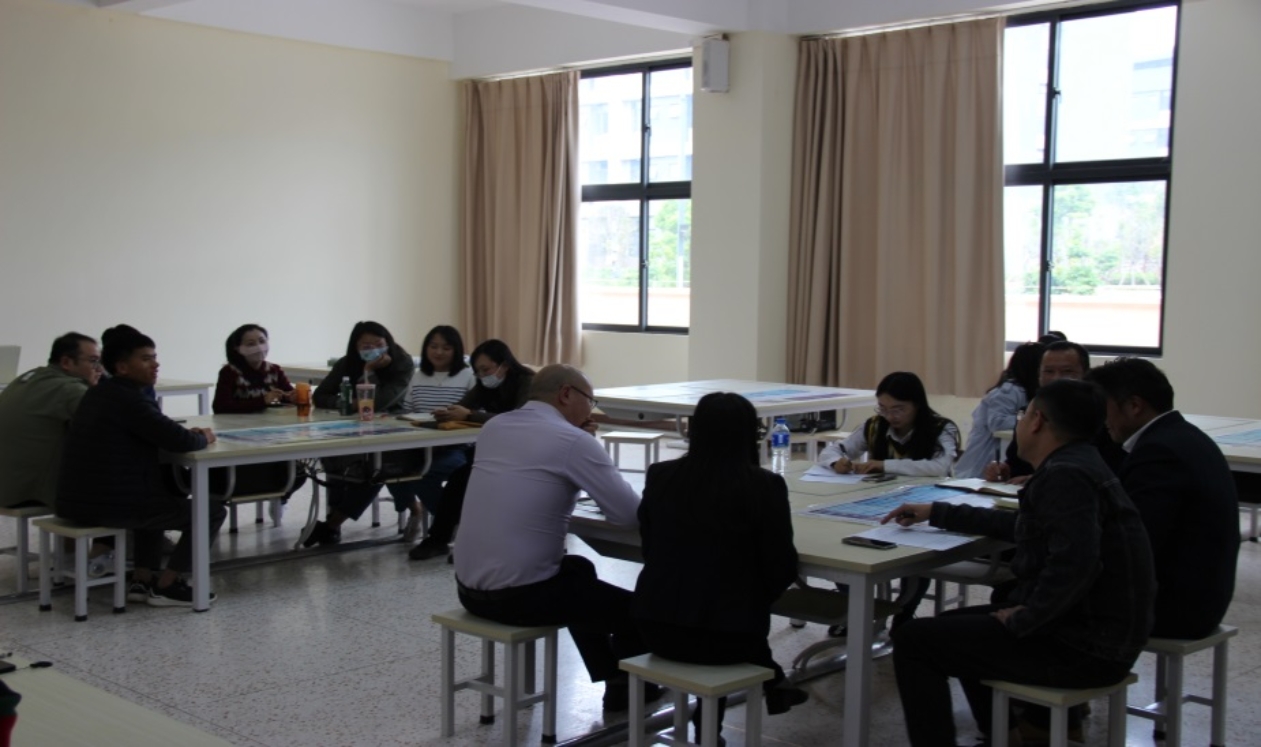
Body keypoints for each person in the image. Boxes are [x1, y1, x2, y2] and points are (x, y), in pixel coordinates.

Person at [881, 379, 1155, 746]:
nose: (1020, 423)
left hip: (1087, 647)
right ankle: (1003, 736)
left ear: (1038, 421)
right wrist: (938, 512)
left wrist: (1026, 618)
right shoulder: (1076, 463)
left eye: (1023, 415)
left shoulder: (1066, 475)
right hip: (1093, 632)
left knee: (914, 641)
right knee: (953, 629)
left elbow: (1077, 565)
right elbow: (1028, 526)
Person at [453, 364, 652, 710]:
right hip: (521, 598)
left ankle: (612, 676)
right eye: (589, 401)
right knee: (644, 614)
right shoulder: (572, 441)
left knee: (579, 571)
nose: (591, 411)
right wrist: (585, 445)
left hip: (468, 590)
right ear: (566, 394)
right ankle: (633, 692)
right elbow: (627, 514)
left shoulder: (495, 427)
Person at [634, 392, 808, 742]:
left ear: (694, 430)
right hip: (732, 639)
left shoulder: (661, 475)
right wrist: (748, 596)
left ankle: (764, 687)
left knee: (716, 603)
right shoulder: (764, 486)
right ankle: (766, 686)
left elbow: (650, 548)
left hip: (655, 628)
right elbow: (782, 567)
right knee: (727, 611)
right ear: (750, 435)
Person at [57, 326, 228, 607]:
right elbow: (180, 440)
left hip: (76, 501)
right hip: (110, 505)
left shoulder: (101, 392)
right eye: (146, 359)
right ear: (122, 367)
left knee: (157, 496)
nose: (155, 364)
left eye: (155, 357)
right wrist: (203, 437)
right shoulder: (130, 399)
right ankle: (169, 584)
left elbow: (156, 428)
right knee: (211, 511)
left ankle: (142, 579)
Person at [1087, 357, 1239, 639]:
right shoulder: (1182, 436)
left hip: (1175, 608)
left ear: (1134, 406)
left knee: (1034, 601)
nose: (1100, 420)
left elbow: (1134, 542)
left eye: (1103, 407)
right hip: (1201, 599)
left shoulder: (1159, 452)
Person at [408, 338, 534, 560]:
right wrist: (448, 412)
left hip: (526, 453)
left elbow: (518, 419)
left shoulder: (528, 382)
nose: (482, 375)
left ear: (504, 365)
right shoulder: (486, 384)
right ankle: (441, 539)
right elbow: (465, 405)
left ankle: (458, 541)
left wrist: (470, 415)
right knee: (458, 480)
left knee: (463, 479)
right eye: (478, 371)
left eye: (486, 369)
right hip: (495, 451)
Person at [304, 321, 415, 547]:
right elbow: (320, 396)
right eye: (366, 346)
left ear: (388, 342)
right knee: (336, 459)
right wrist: (348, 403)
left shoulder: (402, 363)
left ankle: (332, 524)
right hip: (352, 428)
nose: (373, 349)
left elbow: (379, 402)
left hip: (392, 430)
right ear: (355, 347)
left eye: (379, 344)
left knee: (375, 469)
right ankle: (332, 523)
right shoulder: (347, 363)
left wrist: (369, 372)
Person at [982, 340, 1124, 482]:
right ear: (1039, 375)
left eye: (1067, 371)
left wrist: (1040, 479)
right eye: (1049, 371)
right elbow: (1016, 463)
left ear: (1085, 374)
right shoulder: (1030, 413)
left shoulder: (1100, 414)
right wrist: (1004, 470)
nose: (1056, 378)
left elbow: (1107, 469)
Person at [385, 324, 476, 542]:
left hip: (456, 447)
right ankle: (419, 512)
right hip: (418, 445)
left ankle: (451, 524)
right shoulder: (418, 376)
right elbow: (407, 411)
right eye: (433, 346)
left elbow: (474, 415)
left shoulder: (468, 376)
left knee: (423, 475)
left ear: (456, 350)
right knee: (390, 468)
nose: (438, 352)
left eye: (446, 348)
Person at [0, 332, 101, 511]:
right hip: (23, 492)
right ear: (66, 362)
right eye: (93, 361)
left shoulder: (27, 378)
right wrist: (94, 390)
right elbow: (109, 429)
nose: (98, 369)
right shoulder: (71, 390)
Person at [210, 324, 306, 507]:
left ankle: (280, 498)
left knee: (298, 472)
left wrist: (293, 397)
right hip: (238, 436)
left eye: (262, 341)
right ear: (238, 348)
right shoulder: (229, 372)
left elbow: (287, 393)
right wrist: (262, 401)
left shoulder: (274, 370)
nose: (259, 347)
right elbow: (221, 407)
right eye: (251, 343)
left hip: (272, 433)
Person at [817, 371, 960, 477]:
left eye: (898, 410)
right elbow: (832, 451)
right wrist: (836, 462)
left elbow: (940, 467)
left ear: (917, 405)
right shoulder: (874, 426)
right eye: (883, 408)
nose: (890, 416)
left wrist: (884, 465)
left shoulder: (941, 428)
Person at [953, 342, 1043, 479]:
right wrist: (1028, 418)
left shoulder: (1025, 391)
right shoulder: (1008, 391)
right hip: (984, 461)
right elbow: (998, 422)